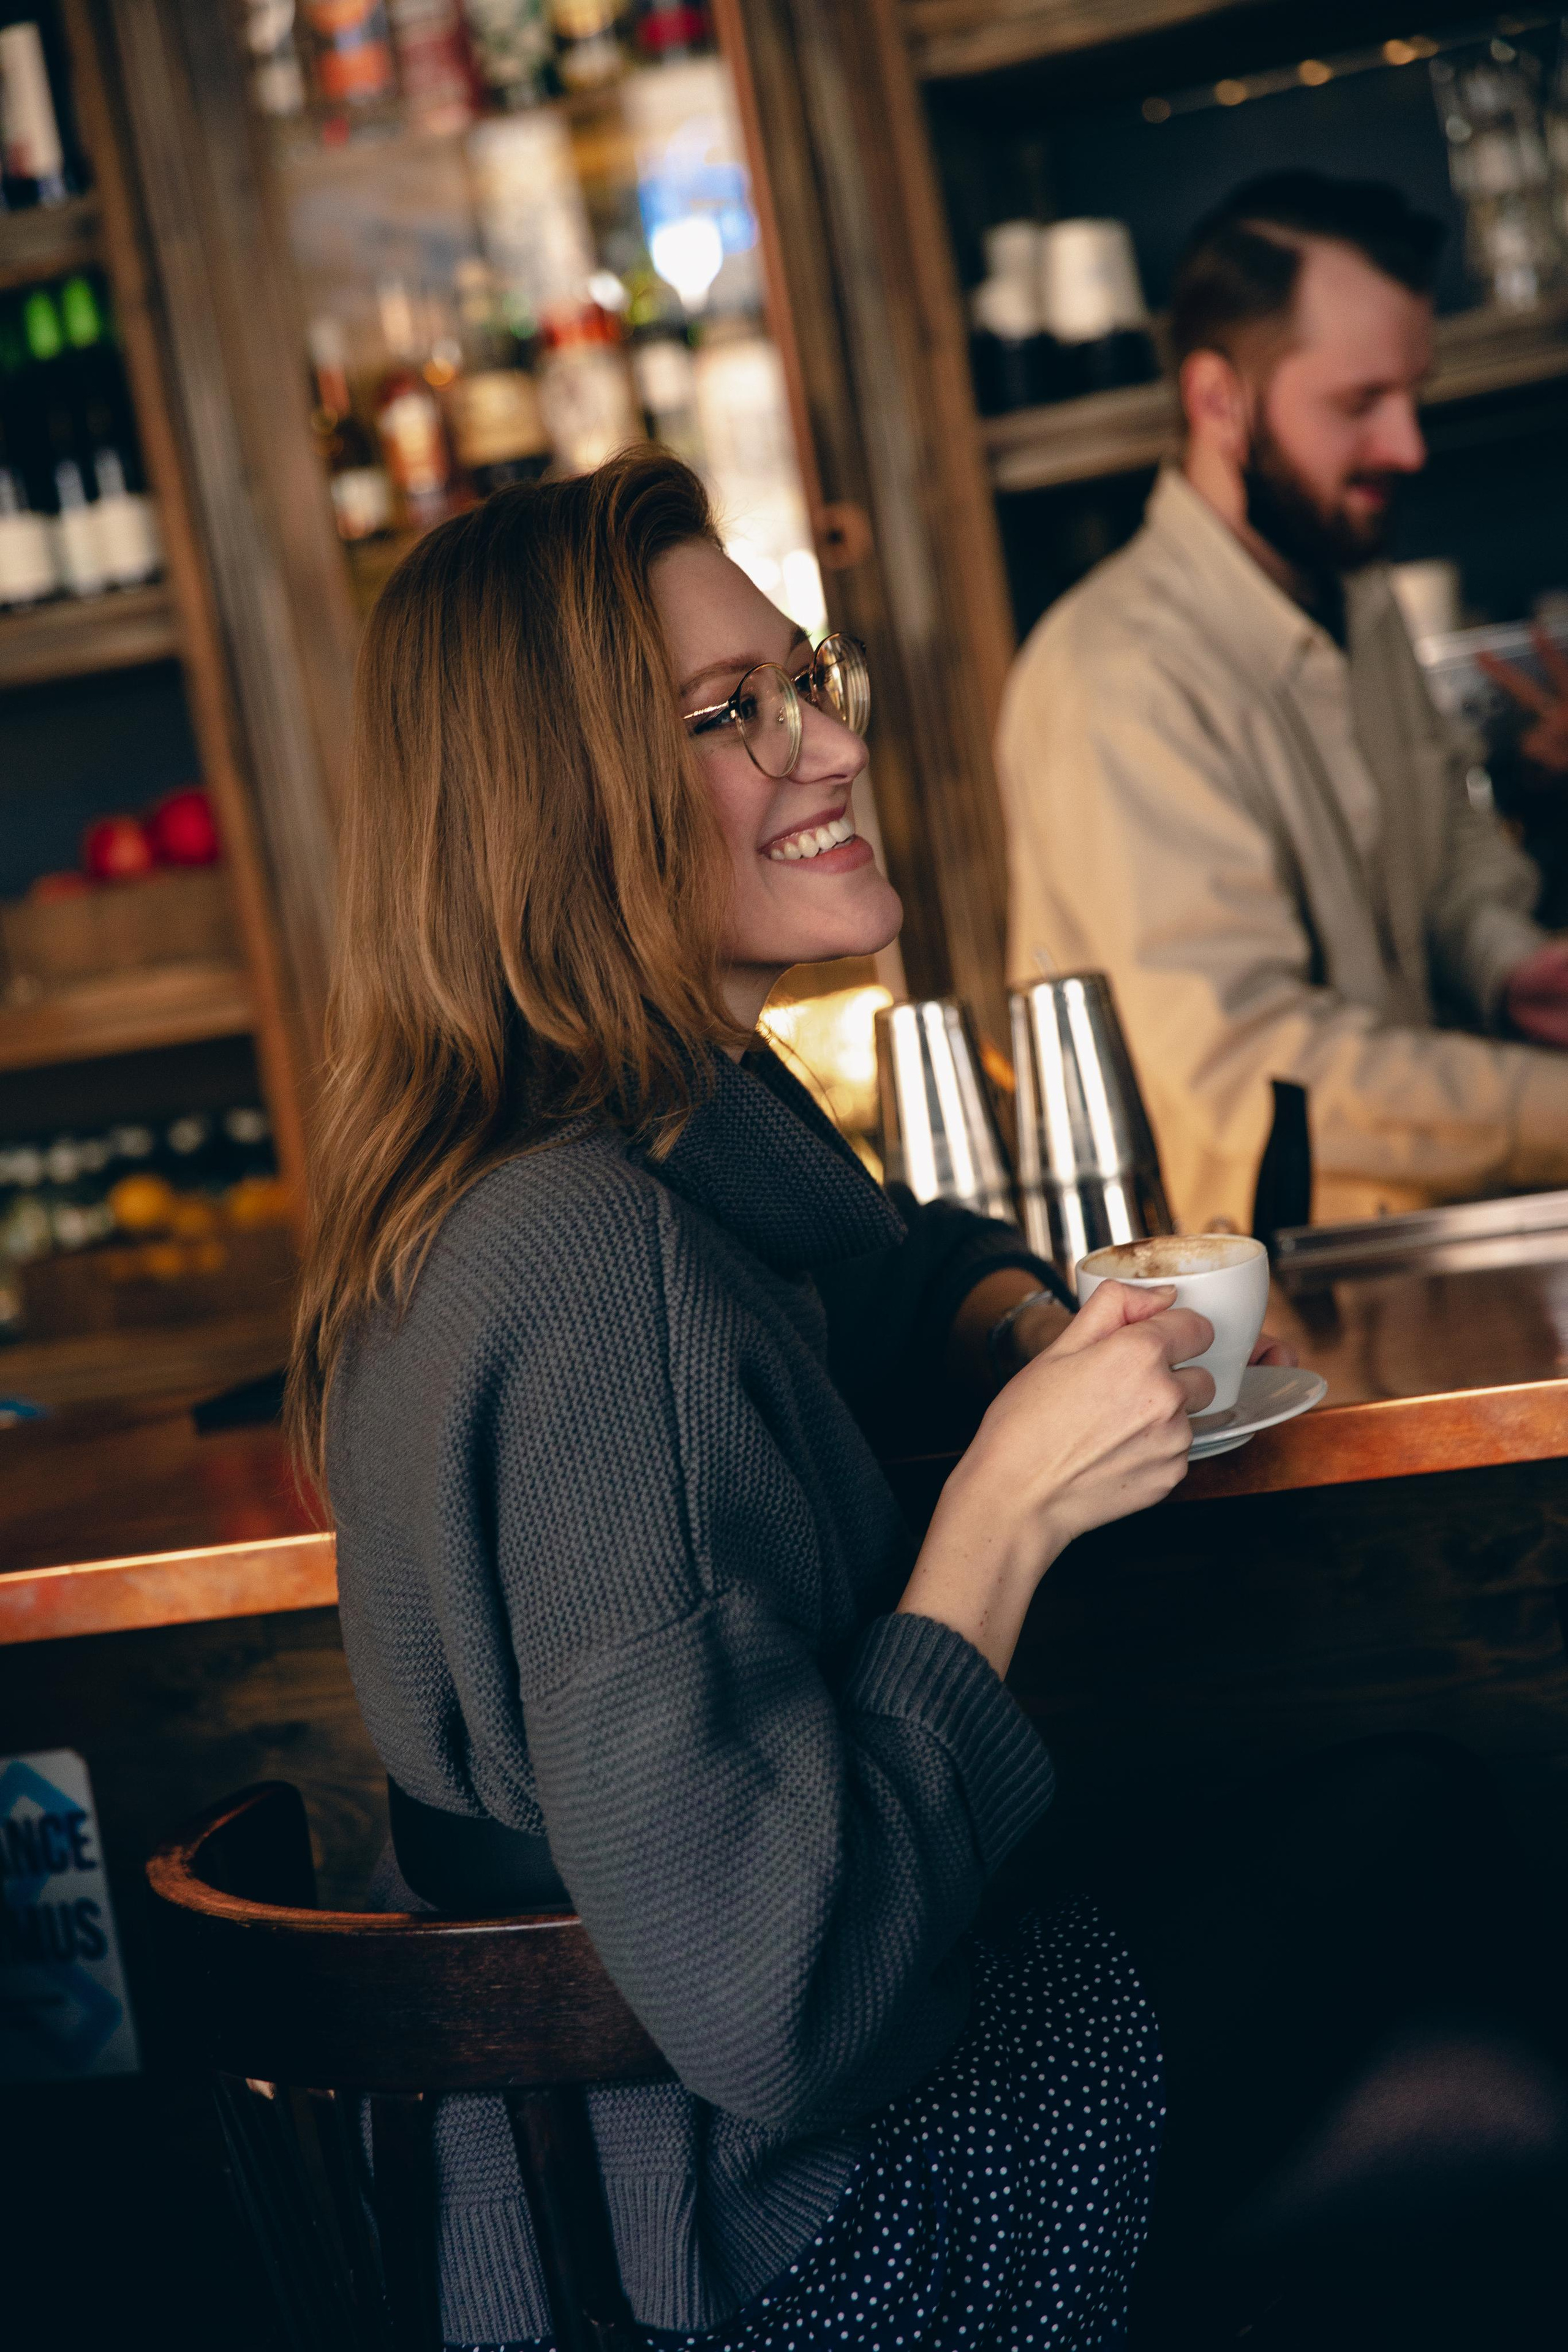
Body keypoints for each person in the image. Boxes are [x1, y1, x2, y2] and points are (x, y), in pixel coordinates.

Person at [292, 452, 1566, 2351]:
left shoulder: (620, 1137)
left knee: (1426, 1801)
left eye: (803, 680)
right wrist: (1005, 1515)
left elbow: (886, 1256)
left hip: (706, 2153)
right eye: (732, 718)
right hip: (759, 2247)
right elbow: (778, 2007)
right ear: (567, 814)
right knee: (1505, 2063)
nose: (826, 747)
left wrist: (995, 1327)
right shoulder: (582, 1264)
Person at [997, 172, 1568, 1234]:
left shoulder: (1354, 591)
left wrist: (1507, 963)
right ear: (1219, 401)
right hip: (1260, 1326)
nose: (1409, 447)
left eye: (1414, 395)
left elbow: (1444, 855)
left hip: (1422, 1249)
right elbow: (1252, 1069)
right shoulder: (1115, 675)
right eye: (1360, 404)